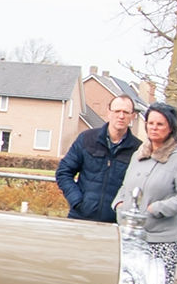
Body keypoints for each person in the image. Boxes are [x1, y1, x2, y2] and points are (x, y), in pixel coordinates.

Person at [113, 101, 177, 283]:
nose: (154, 128)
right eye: (151, 123)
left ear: (170, 128)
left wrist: (157, 208)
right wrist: (119, 204)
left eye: (160, 124)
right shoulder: (139, 153)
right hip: (130, 237)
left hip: (160, 239)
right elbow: (125, 186)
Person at [55, 93, 141, 222]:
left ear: (133, 116)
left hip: (117, 222)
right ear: (109, 112)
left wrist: (124, 209)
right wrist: (77, 200)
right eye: (117, 111)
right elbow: (63, 172)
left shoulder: (138, 150)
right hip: (80, 217)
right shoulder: (87, 139)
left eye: (126, 112)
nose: (121, 116)